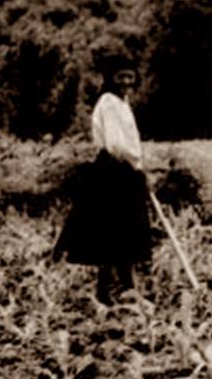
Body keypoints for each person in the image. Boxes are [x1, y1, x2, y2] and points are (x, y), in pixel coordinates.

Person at [53, 69, 154, 304]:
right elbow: (115, 144)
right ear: (111, 79)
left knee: (123, 233)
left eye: (130, 76)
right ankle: (106, 292)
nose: (127, 81)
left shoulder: (122, 102)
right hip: (113, 170)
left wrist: (136, 165)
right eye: (121, 77)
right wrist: (136, 163)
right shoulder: (108, 103)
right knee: (113, 233)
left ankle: (125, 288)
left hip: (123, 169)